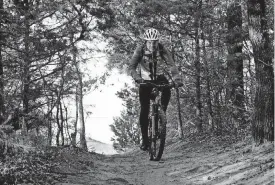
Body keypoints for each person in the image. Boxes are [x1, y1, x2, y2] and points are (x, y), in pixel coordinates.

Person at [128, 28, 183, 151]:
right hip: (144, 80)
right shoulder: (140, 50)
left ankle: (161, 113)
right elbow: (131, 67)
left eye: (155, 42)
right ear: (146, 41)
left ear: (158, 41)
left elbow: (171, 64)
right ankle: (145, 140)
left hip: (159, 78)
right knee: (144, 109)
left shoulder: (162, 49)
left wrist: (177, 79)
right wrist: (137, 78)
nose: (152, 44)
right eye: (149, 42)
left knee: (167, 89)